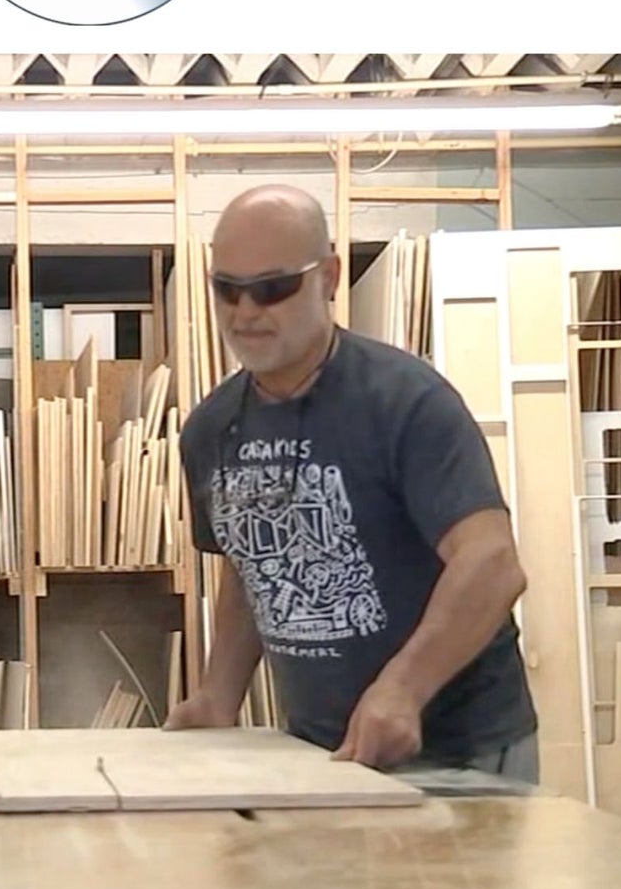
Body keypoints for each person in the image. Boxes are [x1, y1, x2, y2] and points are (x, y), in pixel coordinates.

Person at [166, 184, 539, 782]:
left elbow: (492, 563)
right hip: (318, 753)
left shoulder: (405, 402)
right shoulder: (212, 430)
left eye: (272, 287)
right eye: (226, 290)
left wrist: (403, 688)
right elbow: (248, 569)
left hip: (456, 753)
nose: (245, 311)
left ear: (329, 277)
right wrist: (218, 695)